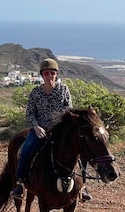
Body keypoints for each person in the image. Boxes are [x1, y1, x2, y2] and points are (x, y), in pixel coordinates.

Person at [10, 58, 92, 202]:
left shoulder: (63, 90)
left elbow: (69, 111)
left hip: (60, 131)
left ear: (56, 74)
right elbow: (30, 113)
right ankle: (20, 183)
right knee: (26, 149)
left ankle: (82, 186)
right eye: (47, 73)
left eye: (52, 73)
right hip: (39, 130)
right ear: (42, 75)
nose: (50, 76)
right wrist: (36, 127)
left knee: (81, 151)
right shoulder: (35, 92)